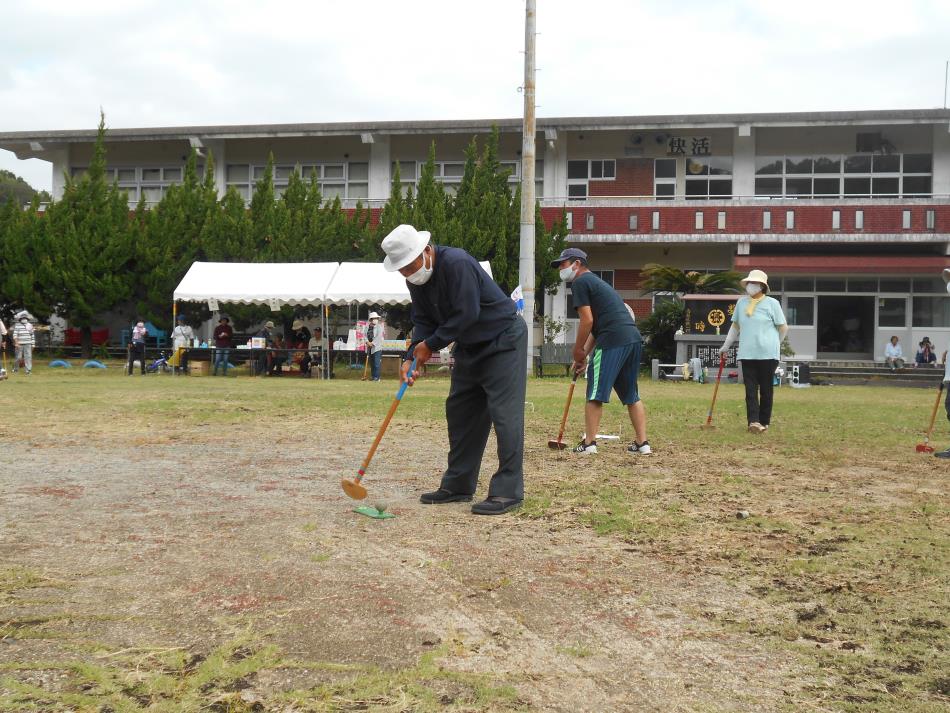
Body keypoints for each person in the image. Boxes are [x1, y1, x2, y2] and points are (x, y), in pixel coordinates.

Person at [382, 223, 526, 516]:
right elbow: (423, 320)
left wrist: (430, 345)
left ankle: (507, 491)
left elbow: (466, 313)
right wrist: (412, 355)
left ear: (426, 251)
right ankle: (458, 485)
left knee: (504, 413)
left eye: (410, 266)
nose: (409, 273)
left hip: (503, 339)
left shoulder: (457, 263)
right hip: (470, 346)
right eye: (403, 270)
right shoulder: (416, 281)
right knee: (460, 410)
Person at [554, 248, 649, 456]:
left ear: (577, 263)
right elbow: (597, 325)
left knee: (595, 392)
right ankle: (643, 444)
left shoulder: (580, 282)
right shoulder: (598, 283)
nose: (560, 268)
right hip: (632, 338)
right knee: (631, 394)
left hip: (613, 340)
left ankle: (589, 444)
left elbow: (587, 321)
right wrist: (584, 354)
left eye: (563, 263)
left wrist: (577, 350)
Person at [720, 269, 788, 433]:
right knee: (750, 389)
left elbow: (783, 327)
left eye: (754, 283)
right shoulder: (741, 303)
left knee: (766, 389)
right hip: (747, 353)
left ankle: (764, 422)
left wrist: (775, 344)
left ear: (762, 286)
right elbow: (735, 326)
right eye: (749, 283)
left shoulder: (772, 304)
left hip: (768, 354)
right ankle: (753, 422)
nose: (751, 286)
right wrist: (726, 345)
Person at [366, 311, 384, 381]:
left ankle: (377, 377)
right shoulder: (367, 327)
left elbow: (379, 337)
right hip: (369, 347)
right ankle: (373, 377)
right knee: (372, 363)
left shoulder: (379, 327)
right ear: (371, 319)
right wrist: (367, 342)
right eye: (374, 318)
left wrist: (372, 343)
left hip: (377, 347)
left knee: (377, 363)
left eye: (376, 318)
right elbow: (364, 335)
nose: (376, 319)